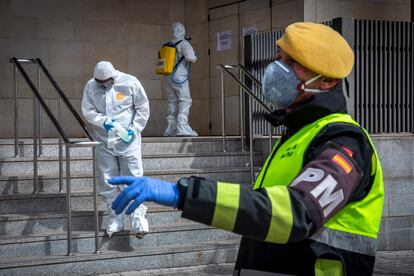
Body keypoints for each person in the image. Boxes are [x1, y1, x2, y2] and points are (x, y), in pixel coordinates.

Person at [109, 22, 384, 275]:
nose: (279, 69)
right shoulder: (297, 135)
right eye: (279, 59)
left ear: (327, 80)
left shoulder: (345, 141)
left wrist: (184, 194)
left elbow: (294, 213)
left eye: (294, 62)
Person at [81, 61, 150, 237]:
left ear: (113, 76)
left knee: (133, 177)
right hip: (104, 140)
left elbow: (143, 107)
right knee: (107, 180)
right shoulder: (90, 86)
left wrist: (134, 129)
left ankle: (138, 219)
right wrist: (103, 121)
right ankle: (116, 218)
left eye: (107, 81)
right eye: (100, 82)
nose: (103, 85)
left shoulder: (130, 82)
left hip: (128, 140)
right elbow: (87, 110)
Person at [162, 22, 198, 136]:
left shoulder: (168, 44)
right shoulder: (184, 43)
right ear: (183, 31)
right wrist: (194, 57)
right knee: (185, 99)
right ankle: (182, 126)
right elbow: (191, 58)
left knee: (172, 100)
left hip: (167, 76)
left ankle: (170, 127)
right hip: (179, 76)